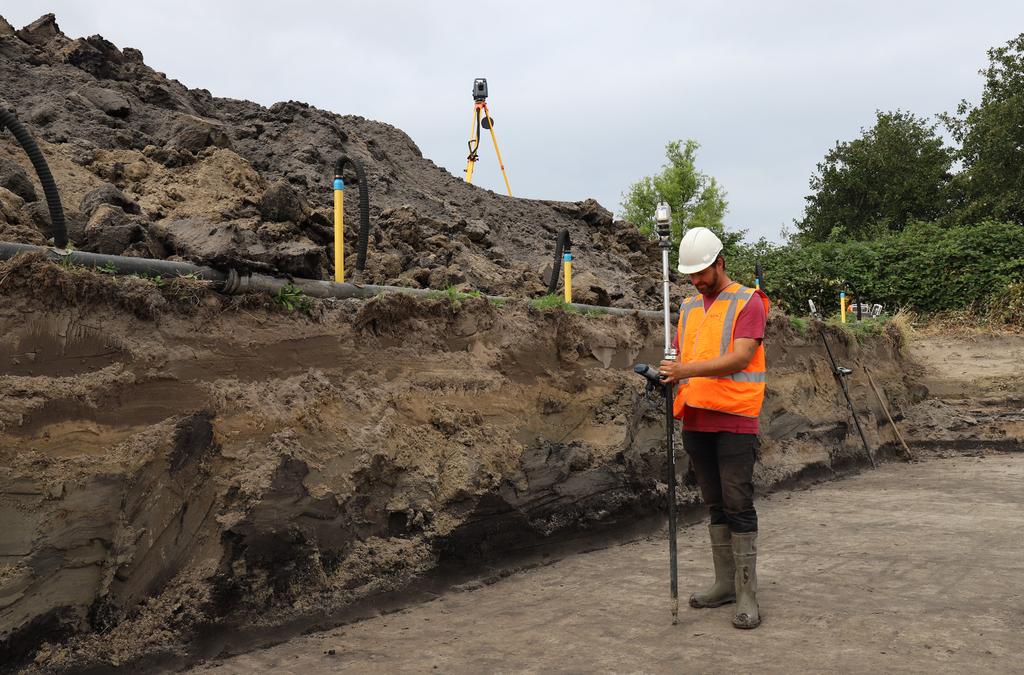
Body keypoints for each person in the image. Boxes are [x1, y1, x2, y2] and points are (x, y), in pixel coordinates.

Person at [658, 227, 769, 630]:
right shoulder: (688, 308)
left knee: (738, 502)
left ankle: (746, 593)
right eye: (691, 275)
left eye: (702, 272)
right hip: (696, 418)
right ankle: (724, 583)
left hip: (736, 419)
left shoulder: (748, 302)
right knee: (714, 502)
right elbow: (682, 355)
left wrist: (685, 368)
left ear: (720, 262)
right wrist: (668, 372)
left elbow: (740, 357)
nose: (696, 281)